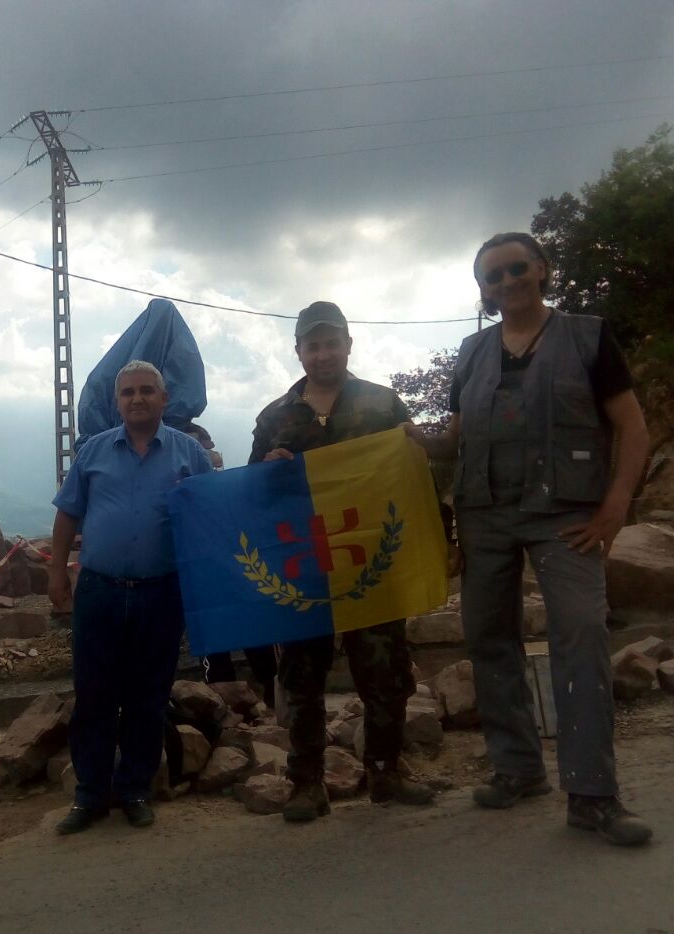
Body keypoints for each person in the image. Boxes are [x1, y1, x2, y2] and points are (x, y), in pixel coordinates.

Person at [408, 232, 652, 846]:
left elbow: (632, 428)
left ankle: (593, 794)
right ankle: (517, 768)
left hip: (565, 516)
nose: (507, 281)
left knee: (581, 633)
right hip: (484, 514)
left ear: (541, 269)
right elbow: (456, 439)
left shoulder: (588, 337)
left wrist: (615, 509)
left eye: (517, 268)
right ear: (483, 291)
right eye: (492, 276)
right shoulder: (472, 351)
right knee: (490, 639)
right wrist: (411, 439)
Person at [251, 302, 438, 823]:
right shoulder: (274, 417)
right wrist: (267, 468)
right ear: (298, 352)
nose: (323, 354)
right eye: (313, 345)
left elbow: (413, 474)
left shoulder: (382, 404)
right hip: (305, 566)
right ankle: (306, 782)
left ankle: (386, 770)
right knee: (302, 676)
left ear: (348, 345)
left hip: (372, 561)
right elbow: (253, 495)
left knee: (384, 671)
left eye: (332, 343)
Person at [50, 360, 213, 834]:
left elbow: (213, 511)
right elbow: (67, 514)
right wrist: (56, 574)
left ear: (164, 398)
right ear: (117, 402)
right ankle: (90, 796)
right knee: (93, 695)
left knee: (148, 696)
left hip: (162, 592)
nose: (137, 398)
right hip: (99, 591)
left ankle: (136, 789)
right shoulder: (94, 451)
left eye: (146, 390)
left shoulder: (189, 453)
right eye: (128, 392)